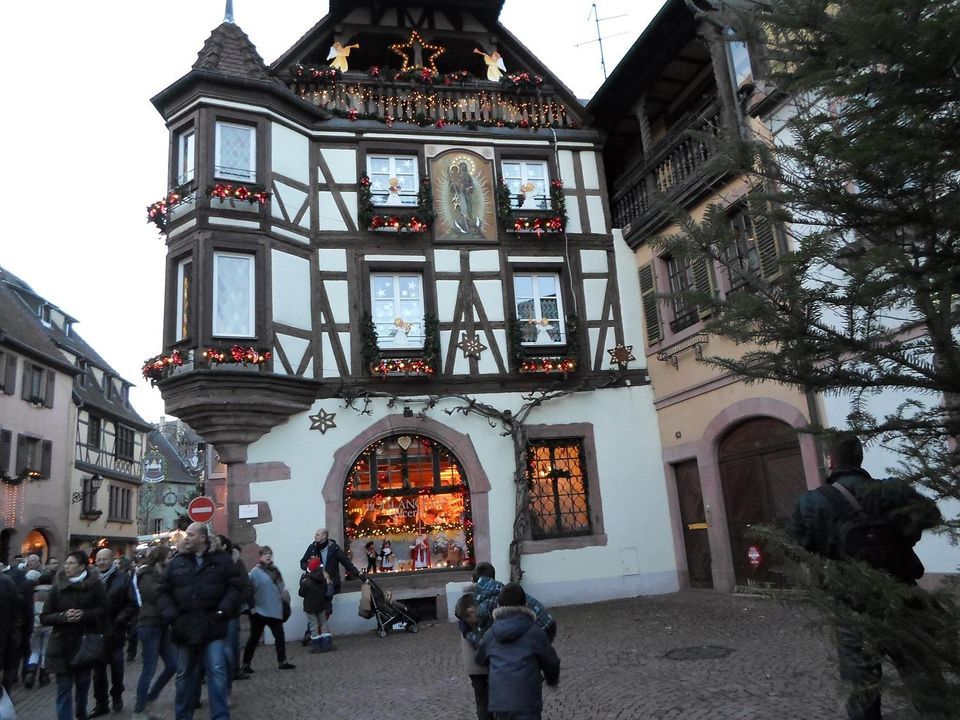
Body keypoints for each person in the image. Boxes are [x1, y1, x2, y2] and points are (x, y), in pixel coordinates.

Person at [786, 432, 945, 720]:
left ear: (829, 460)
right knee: (928, 687)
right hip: (903, 598)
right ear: (860, 458)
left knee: (862, 693)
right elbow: (931, 515)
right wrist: (901, 539)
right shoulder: (893, 490)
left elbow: (795, 549)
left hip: (852, 606)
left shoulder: (812, 502)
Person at [157, 522, 244, 720]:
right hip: (184, 626)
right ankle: (183, 716)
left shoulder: (222, 561)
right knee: (183, 674)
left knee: (217, 670)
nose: (186, 538)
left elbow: (235, 587)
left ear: (202, 538)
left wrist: (223, 611)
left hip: (212, 624)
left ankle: (221, 716)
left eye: (190, 534)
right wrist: (172, 616)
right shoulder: (177, 562)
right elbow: (162, 591)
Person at [476, 583, 560, 720]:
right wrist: (552, 679)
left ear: (499, 606)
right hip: (527, 699)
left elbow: (480, 658)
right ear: (525, 605)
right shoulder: (534, 632)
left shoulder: (490, 634)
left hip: (500, 701)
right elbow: (551, 661)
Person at [41, 550, 107, 720]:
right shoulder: (58, 586)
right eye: (66, 563)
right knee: (63, 689)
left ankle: (81, 714)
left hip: (84, 645)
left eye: (71, 563)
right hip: (61, 645)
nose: (66, 566)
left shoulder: (95, 585)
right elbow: (45, 616)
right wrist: (64, 616)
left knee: (83, 687)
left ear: (82, 566)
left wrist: (84, 615)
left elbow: (103, 610)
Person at [130, 546, 176, 720]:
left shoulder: (161, 574)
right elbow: (155, 594)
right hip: (149, 624)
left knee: (172, 665)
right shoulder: (146, 574)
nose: (171, 559)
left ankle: (151, 696)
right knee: (149, 668)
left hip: (162, 624)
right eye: (169, 556)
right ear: (161, 558)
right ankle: (139, 710)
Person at [467, 563, 556, 648]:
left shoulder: (485, 603)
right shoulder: (497, 587)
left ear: (473, 581)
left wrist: (467, 632)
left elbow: (483, 640)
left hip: (540, 628)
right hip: (547, 620)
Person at [91, 548, 135, 716]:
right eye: (98, 559)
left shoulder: (122, 579)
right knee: (98, 672)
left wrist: (119, 620)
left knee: (117, 668)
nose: (101, 562)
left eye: (104, 559)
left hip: (115, 632)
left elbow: (131, 604)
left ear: (111, 560)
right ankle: (101, 703)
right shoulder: (91, 579)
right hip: (96, 632)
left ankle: (117, 694)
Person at [298, 528, 362, 643]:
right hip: (314, 584)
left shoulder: (334, 549)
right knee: (316, 608)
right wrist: (310, 568)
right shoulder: (312, 548)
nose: (315, 536)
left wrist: (358, 574)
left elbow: (346, 563)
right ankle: (314, 633)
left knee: (326, 608)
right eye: (316, 534)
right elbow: (302, 562)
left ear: (324, 536)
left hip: (329, 584)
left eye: (318, 534)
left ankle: (313, 633)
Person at [240, 546, 295, 673]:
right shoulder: (255, 572)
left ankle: (282, 661)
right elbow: (249, 590)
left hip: (274, 609)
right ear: (260, 557)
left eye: (270, 554)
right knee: (254, 638)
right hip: (259, 611)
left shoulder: (275, 570)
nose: (268, 556)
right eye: (265, 554)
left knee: (279, 636)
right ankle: (246, 664)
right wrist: (251, 606)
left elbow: (281, 587)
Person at [455, 593, 490, 720]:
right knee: (485, 701)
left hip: (474, 666)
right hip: (481, 665)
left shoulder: (466, 605)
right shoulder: (477, 610)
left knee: (482, 701)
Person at [24, 569, 54, 689]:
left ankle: (30, 673)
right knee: (45, 651)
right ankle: (43, 675)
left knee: (34, 651)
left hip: (35, 625)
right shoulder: (53, 592)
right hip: (49, 625)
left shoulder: (33, 592)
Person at [298, 557, 331, 653]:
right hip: (321, 605)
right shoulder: (323, 579)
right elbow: (325, 591)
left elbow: (301, 593)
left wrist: (301, 583)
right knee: (323, 623)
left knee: (314, 625)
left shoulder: (307, 582)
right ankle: (326, 644)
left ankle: (316, 646)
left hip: (310, 607)